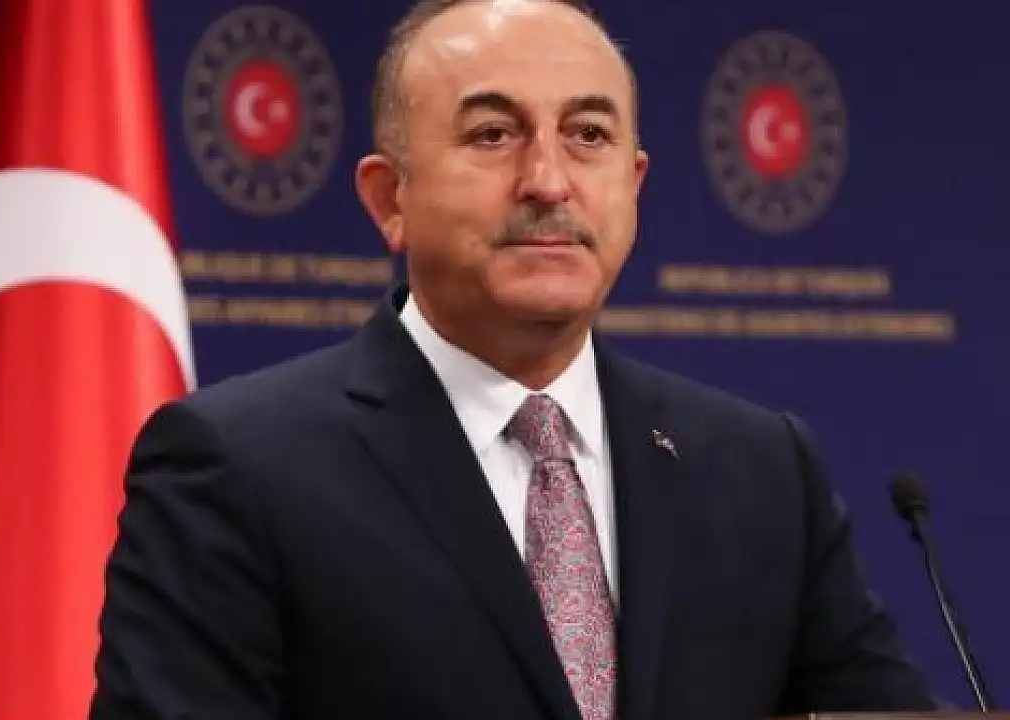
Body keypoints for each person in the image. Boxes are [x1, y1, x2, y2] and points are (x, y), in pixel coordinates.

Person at [89, 0, 940, 717]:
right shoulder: (238, 468)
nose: (548, 180)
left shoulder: (761, 470)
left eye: (589, 135)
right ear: (389, 199)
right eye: (493, 134)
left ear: (634, 185)